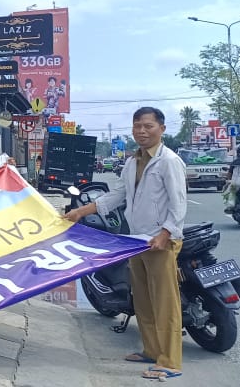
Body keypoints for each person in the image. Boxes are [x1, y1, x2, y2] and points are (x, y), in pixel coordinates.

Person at [62, 107, 186, 380]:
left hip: (161, 240)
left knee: (165, 302)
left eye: (148, 126)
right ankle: (151, 350)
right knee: (142, 298)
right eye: (137, 126)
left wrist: (165, 234)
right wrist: (80, 212)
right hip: (137, 239)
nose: (142, 131)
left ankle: (170, 361)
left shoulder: (169, 161)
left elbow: (178, 204)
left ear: (162, 129)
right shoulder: (132, 162)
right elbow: (115, 196)